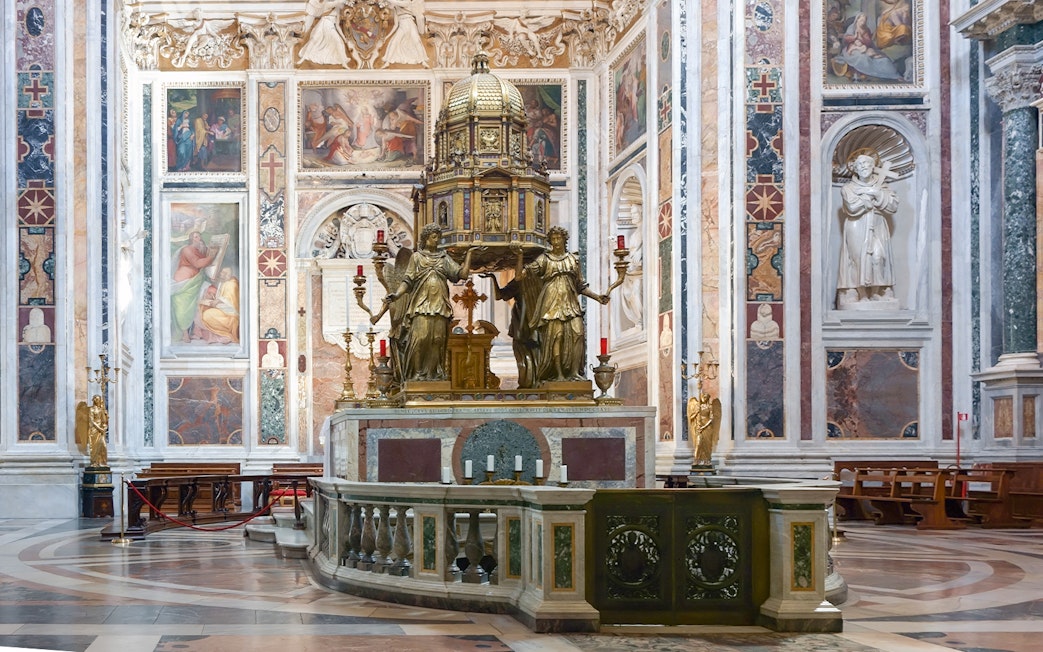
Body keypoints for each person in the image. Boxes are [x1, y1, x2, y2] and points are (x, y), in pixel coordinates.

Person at [377, 224, 475, 382]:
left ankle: (433, 375)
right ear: (426, 238)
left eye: (438, 237)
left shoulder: (444, 258)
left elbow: (462, 274)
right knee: (420, 339)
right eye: (434, 237)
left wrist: (469, 254)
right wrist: (396, 295)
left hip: (440, 306)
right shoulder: (417, 257)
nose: (437, 240)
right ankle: (416, 375)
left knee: (437, 340)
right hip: (421, 305)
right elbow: (407, 280)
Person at [524, 226, 609, 384]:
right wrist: (519, 258)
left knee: (577, 334)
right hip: (552, 303)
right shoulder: (544, 259)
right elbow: (525, 274)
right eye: (553, 239)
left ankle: (575, 372)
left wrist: (598, 297)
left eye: (559, 238)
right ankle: (558, 375)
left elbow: (580, 286)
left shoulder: (573, 259)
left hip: (570, 303)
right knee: (557, 337)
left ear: (564, 239)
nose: (556, 242)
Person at [836, 150, 900, 307]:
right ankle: (860, 294)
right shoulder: (848, 188)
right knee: (858, 258)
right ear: (855, 169)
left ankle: (876, 292)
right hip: (857, 225)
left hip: (877, 225)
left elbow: (893, 206)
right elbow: (851, 207)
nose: (863, 167)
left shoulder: (882, 186)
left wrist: (877, 194)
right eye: (860, 164)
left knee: (878, 257)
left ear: (873, 167)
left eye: (866, 164)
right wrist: (867, 201)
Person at [171, 231, 218, 342]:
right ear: (191, 239)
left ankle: (198, 331)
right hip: (183, 285)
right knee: (182, 308)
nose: (199, 239)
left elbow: (204, 264)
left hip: (195, 282)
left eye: (199, 237)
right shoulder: (187, 250)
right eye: (196, 237)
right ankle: (184, 333)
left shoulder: (199, 251)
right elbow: (197, 263)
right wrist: (211, 256)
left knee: (200, 303)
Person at [197, 267, 240, 343]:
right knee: (202, 308)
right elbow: (221, 296)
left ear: (228, 275)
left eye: (223, 273)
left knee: (207, 315)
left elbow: (231, 303)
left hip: (230, 317)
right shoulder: (224, 282)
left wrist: (217, 301)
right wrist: (214, 298)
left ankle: (226, 335)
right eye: (221, 272)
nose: (220, 274)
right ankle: (216, 335)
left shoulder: (232, 284)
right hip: (223, 311)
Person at [381, 0, 428, 68]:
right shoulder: (396, 8)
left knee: (417, 41)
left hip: (410, 24)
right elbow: (396, 25)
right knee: (394, 42)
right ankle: (387, 61)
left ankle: (423, 61)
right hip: (402, 26)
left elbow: (399, 3)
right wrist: (387, 37)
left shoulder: (407, 2)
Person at [687, 391, 721, 467]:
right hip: (699, 427)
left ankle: (707, 460)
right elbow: (691, 418)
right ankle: (696, 460)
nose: (704, 398)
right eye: (703, 397)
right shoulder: (698, 406)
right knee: (698, 444)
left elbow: (711, 418)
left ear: (708, 398)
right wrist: (696, 413)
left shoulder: (710, 407)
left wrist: (704, 426)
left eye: (706, 397)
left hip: (707, 427)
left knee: (707, 445)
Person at [87, 395, 109, 468]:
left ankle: (102, 462)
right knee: (94, 447)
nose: (97, 401)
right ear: (93, 400)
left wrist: (106, 416)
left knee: (103, 446)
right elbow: (91, 421)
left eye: (98, 399)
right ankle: (94, 462)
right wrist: (99, 428)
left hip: (101, 431)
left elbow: (104, 421)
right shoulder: (91, 409)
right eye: (96, 399)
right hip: (94, 430)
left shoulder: (101, 409)